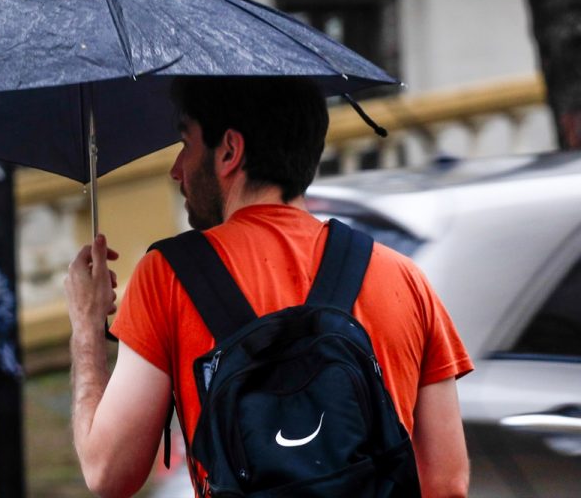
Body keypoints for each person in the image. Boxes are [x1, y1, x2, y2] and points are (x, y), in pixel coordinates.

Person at [64, 76, 473, 498]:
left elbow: (108, 472)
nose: (176, 170)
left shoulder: (166, 278)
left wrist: (86, 326)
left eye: (186, 144)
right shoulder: (404, 279)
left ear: (229, 151)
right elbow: (446, 484)